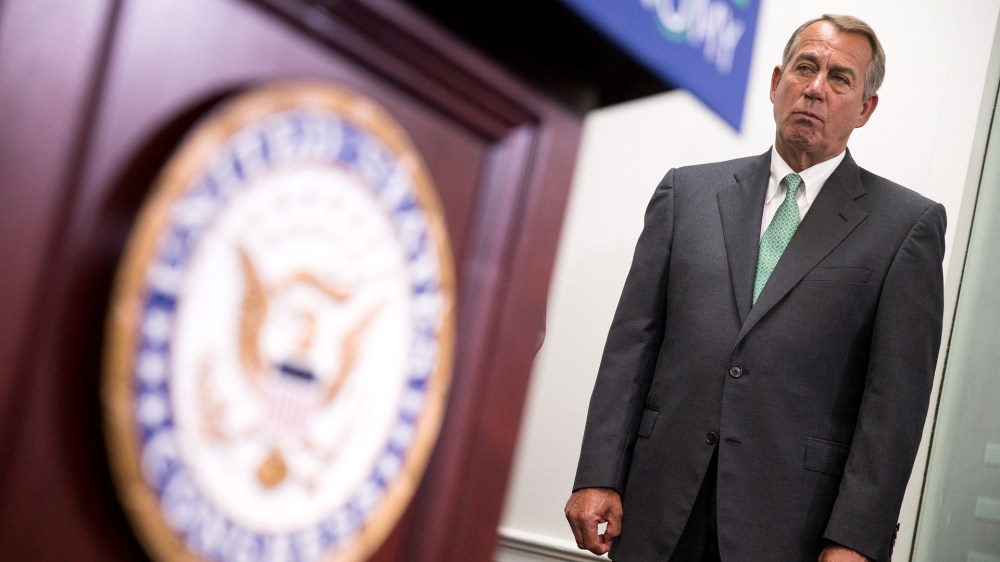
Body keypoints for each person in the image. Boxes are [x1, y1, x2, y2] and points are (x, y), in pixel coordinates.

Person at [564, 14, 946, 562]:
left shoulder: (906, 225)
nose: (815, 88)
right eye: (805, 68)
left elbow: (895, 405)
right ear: (776, 82)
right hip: (656, 506)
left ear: (866, 109)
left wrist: (856, 539)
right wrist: (598, 473)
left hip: (791, 525)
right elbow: (632, 344)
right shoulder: (686, 193)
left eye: (840, 79)